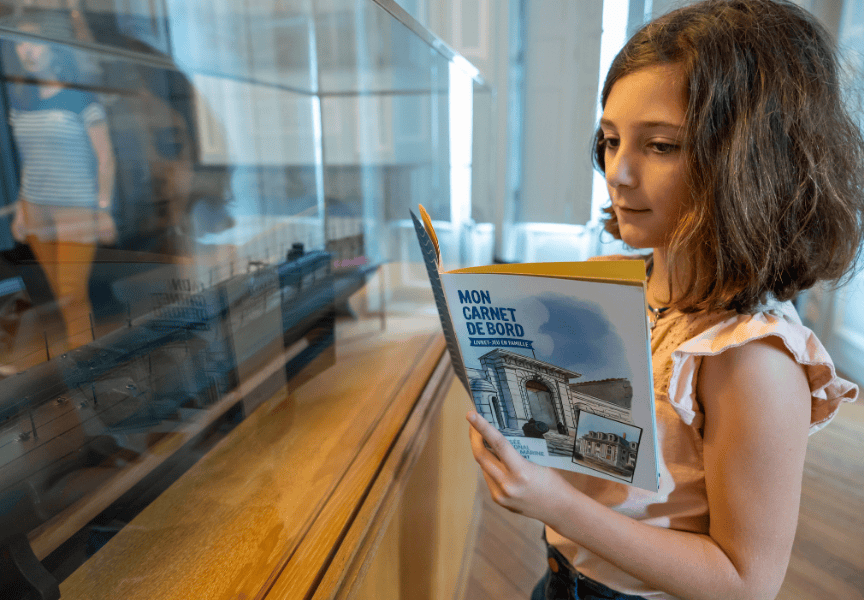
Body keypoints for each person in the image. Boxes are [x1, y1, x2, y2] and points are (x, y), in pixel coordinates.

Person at [466, 2, 864, 599]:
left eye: (659, 146)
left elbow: (745, 582)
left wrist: (553, 504)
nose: (617, 173)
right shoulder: (609, 286)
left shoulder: (749, 355)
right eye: (610, 140)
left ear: (752, 161)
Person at [5, 10, 116, 352]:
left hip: (75, 210)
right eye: (21, 42)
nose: (27, 50)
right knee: (58, 293)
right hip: (35, 207)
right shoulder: (20, 99)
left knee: (71, 292)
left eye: (36, 42)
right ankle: (80, 354)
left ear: (55, 48)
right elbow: (29, 160)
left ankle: (85, 359)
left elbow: (105, 158)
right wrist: (21, 210)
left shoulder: (80, 97)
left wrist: (102, 209)